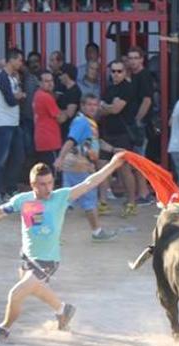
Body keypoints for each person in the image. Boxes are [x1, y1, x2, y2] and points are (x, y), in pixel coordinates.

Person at [0, 153, 128, 344]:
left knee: (16, 293)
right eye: (42, 184)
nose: (48, 188)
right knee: (36, 290)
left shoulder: (60, 197)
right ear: (33, 184)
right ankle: (63, 310)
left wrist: (111, 165)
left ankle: (4, 328)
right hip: (26, 259)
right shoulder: (22, 200)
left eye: (50, 183)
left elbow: (89, 183)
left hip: (47, 261)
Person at [53, 94, 118, 241]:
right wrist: (60, 157)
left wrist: (113, 150)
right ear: (82, 106)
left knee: (67, 200)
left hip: (77, 165)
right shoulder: (83, 122)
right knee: (86, 199)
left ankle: (51, 232)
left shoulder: (87, 122)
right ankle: (96, 231)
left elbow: (96, 142)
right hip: (79, 165)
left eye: (95, 105)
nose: (92, 108)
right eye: (89, 105)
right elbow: (71, 140)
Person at [99, 60, 139, 216]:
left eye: (119, 71)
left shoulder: (127, 89)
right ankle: (103, 202)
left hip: (122, 134)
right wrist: (108, 108)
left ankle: (131, 202)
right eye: (113, 71)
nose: (116, 74)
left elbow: (115, 109)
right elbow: (99, 111)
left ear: (125, 72)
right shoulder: (109, 89)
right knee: (102, 167)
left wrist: (106, 107)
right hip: (108, 133)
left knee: (124, 169)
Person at [0, 48, 27, 205]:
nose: (20, 63)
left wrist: (17, 95)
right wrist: (19, 96)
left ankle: (10, 189)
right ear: (11, 60)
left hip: (13, 123)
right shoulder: (2, 77)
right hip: (3, 123)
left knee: (17, 157)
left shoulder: (11, 77)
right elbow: (11, 100)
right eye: (19, 60)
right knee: (0, 159)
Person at [126, 46, 153, 204]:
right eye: (131, 58)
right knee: (136, 160)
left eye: (136, 57)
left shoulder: (144, 76)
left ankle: (144, 194)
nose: (133, 61)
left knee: (139, 160)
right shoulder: (134, 76)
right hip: (135, 124)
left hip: (140, 125)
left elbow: (147, 100)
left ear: (142, 59)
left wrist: (137, 120)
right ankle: (142, 193)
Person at [33, 71, 67, 166]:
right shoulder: (45, 97)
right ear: (40, 83)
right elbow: (60, 118)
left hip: (42, 139)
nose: (50, 83)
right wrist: (67, 113)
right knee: (53, 173)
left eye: (51, 80)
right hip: (50, 141)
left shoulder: (38, 94)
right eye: (46, 81)